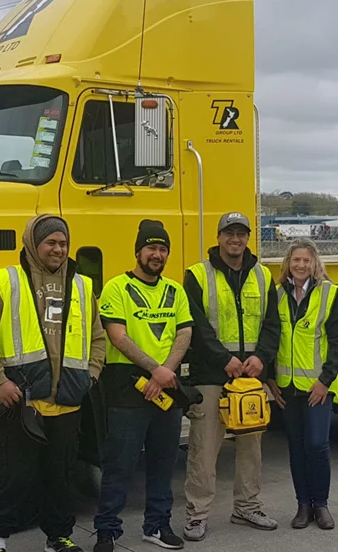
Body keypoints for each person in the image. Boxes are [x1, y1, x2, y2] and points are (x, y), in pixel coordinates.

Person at [0, 214, 107, 552]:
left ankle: (58, 538)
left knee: (60, 477)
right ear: (34, 244)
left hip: (68, 401)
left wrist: (90, 375)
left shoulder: (82, 285)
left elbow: (98, 337)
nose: (58, 249)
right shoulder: (6, 281)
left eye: (63, 243)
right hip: (22, 400)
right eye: (51, 242)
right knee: (11, 474)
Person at [93, 219, 194, 552]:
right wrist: (156, 370)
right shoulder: (116, 287)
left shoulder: (175, 290)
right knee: (120, 464)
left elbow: (185, 332)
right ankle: (107, 531)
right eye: (151, 248)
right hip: (126, 386)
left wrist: (165, 371)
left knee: (164, 463)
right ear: (138, 251)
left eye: (163, 249)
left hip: (167, 386)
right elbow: (117, 337)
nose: (157, 254)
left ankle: (157, 525)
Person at [181, 212, 280, 541]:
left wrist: (260, 359)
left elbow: (272, 325)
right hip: (211, 375)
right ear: (219, 236)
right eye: (229, 233)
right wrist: (225, 360)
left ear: (248, 237)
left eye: (241, 233)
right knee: (204, 448)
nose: (235, 239)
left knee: (251, 447)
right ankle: (197, 514)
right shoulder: (197, 275)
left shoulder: (264, 276)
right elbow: (196, 325)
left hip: (251, 378)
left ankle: (247, 507)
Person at [266, 238, 338, 531]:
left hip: (317, 388)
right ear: (288, 264)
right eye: (296, 260)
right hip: (287, 387)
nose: (301, 265)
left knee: (317, 444)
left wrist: (324, 381)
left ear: (315, 264)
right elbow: (271, 339)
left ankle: (321, 504)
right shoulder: (275, 296)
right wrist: (271, 379)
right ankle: (303, 505)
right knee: (297, 447)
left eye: (306, 261)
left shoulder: (329, 294)